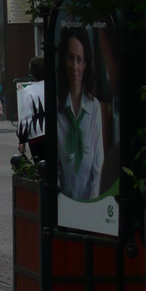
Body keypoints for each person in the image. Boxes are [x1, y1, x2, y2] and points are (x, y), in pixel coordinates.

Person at [56, 27, 103, 201]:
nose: (74, 66)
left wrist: (92, 204)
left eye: (79, 59)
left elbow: (98, 165)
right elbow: (55, 164)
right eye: (70, 58)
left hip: (88, 200)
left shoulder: (94, 107)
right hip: (64, 200)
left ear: (85, 64)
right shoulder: (57, 106)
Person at [17, 57, 45, 161]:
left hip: (37, 134)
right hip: (56, 131)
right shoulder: (55, 86)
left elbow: (24, 118)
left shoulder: (28, 91)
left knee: (41, 166)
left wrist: (22, 140)